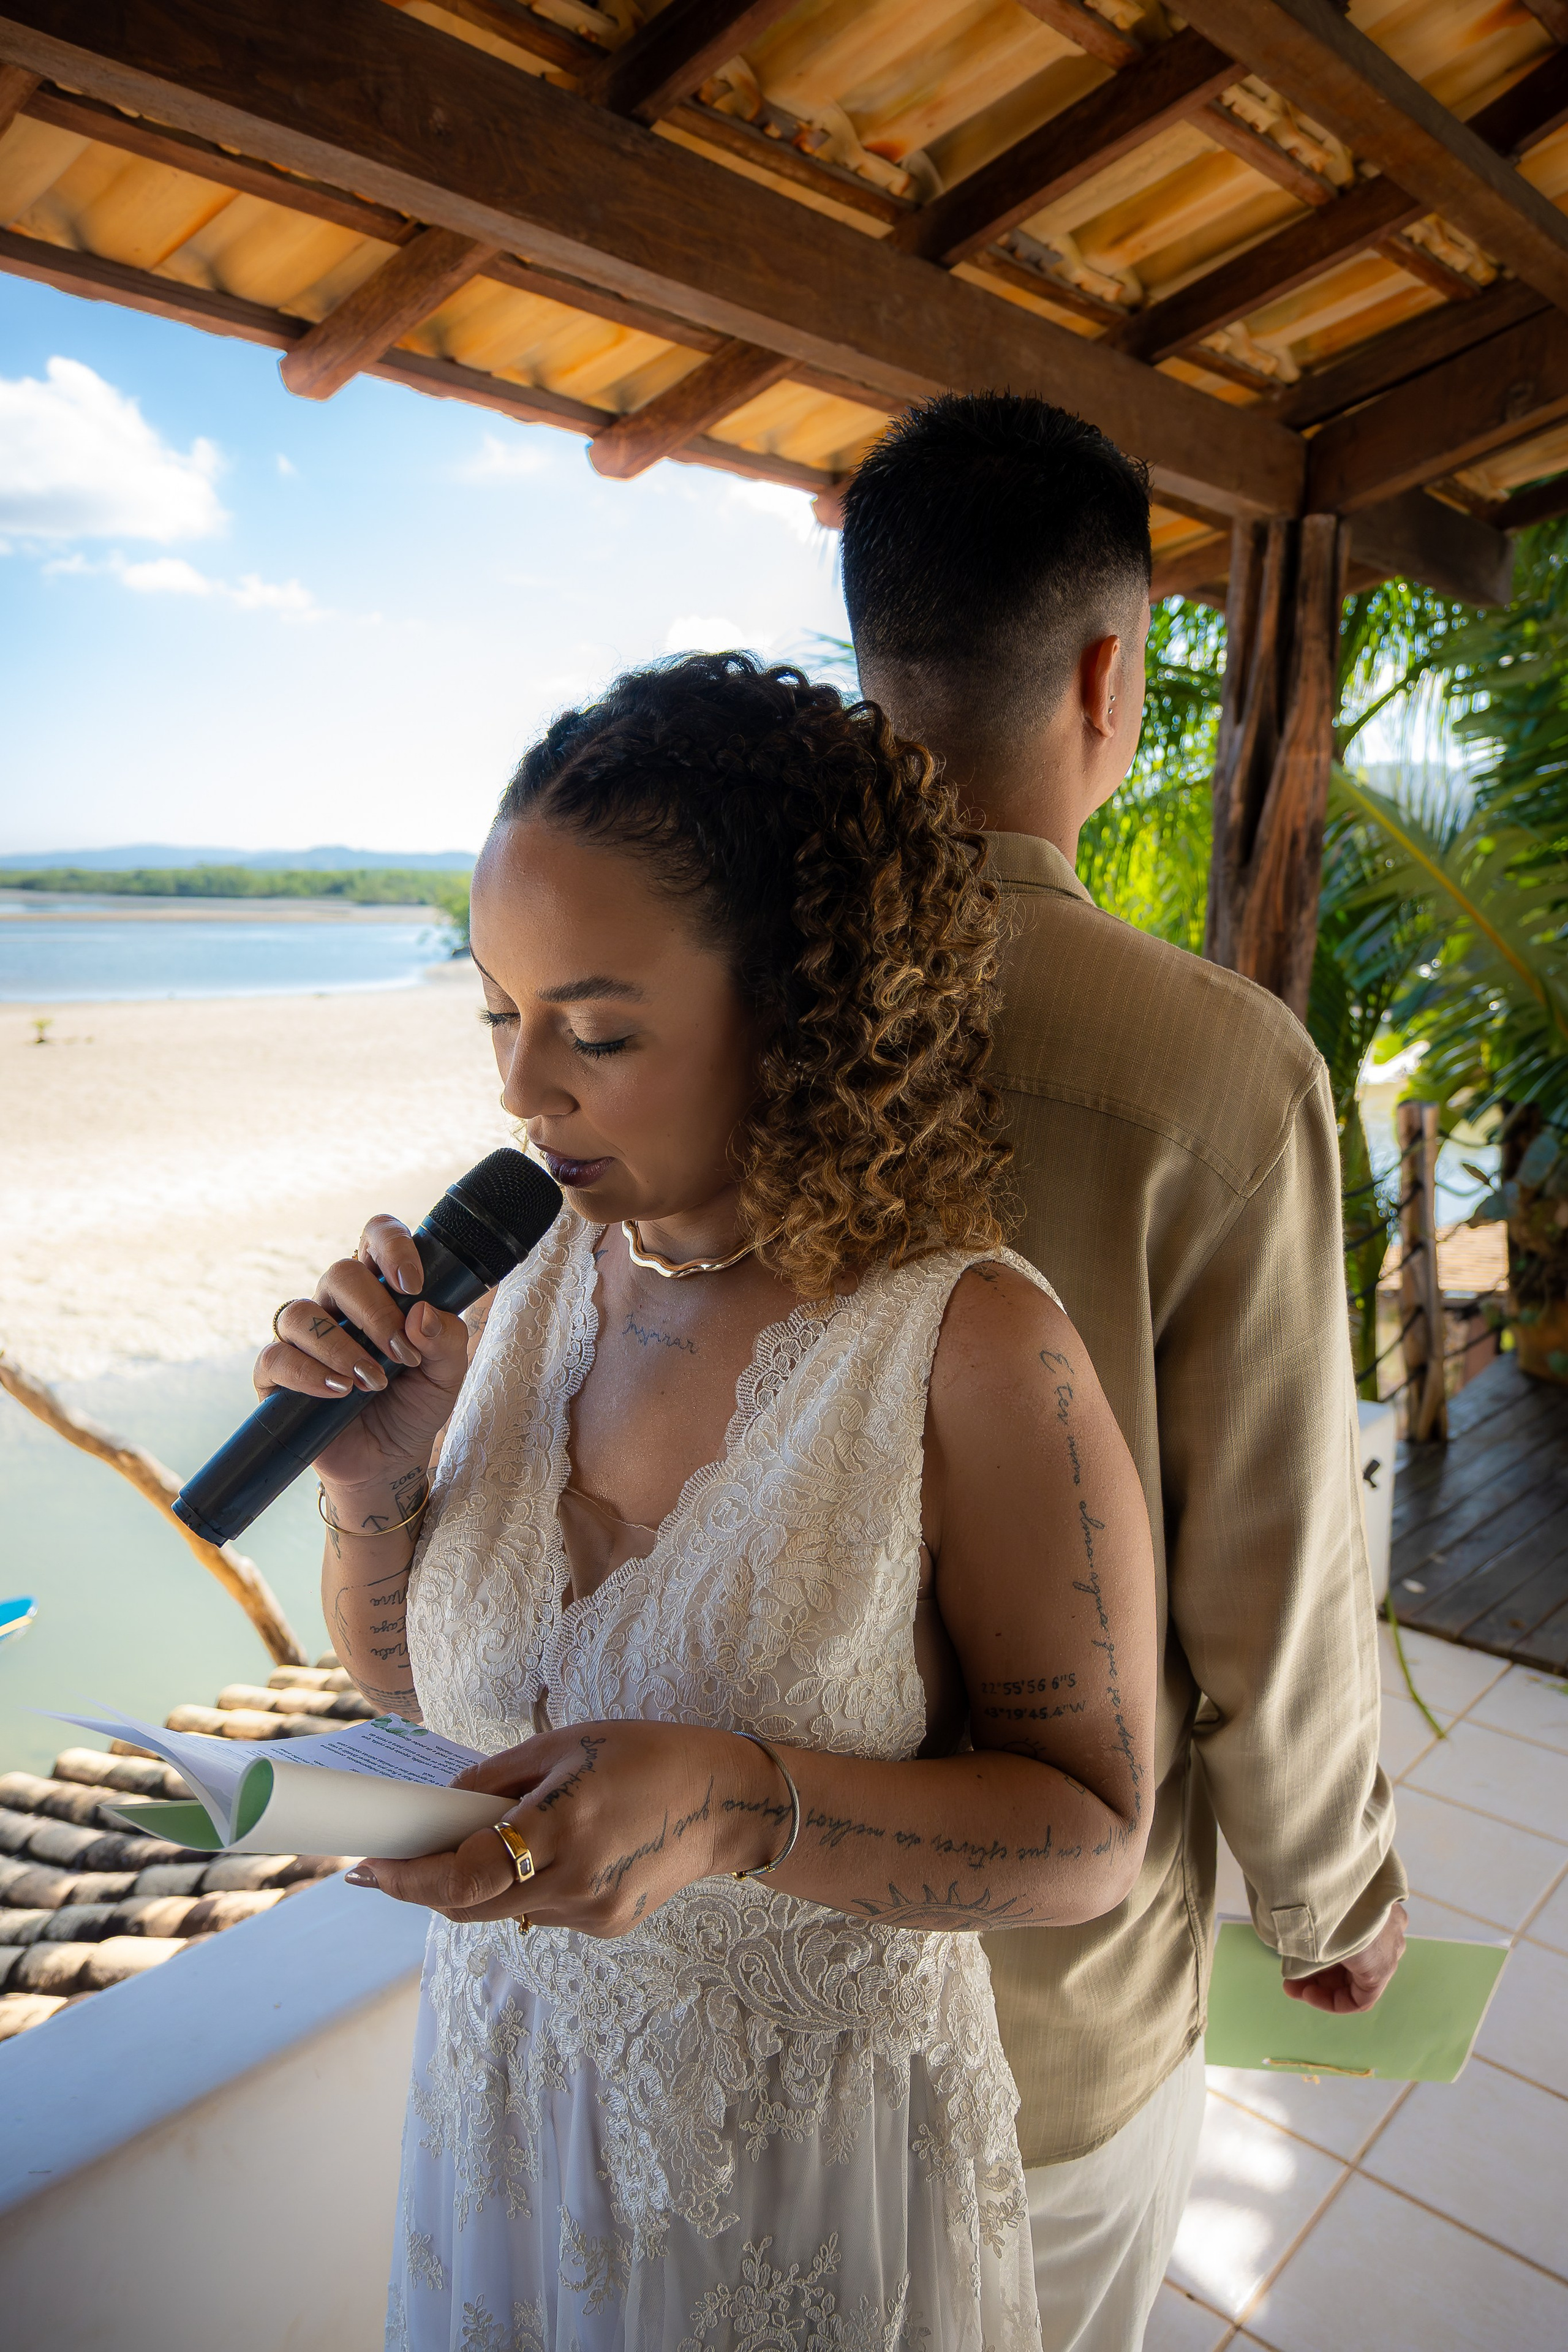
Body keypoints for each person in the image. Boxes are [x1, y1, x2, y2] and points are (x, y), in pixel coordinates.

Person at [257, 654, 1159, 2352]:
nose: (521, 1094)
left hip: (810, 2189)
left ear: (807, 1010)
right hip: (513, 2121)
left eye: (593, 1032)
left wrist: (748, 1811)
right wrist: (374, 1493)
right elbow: (413, 1694)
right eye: (498, 1017)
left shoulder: (971, 1349)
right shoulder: (522, 1286)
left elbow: (1096, 1836)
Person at [841, 396, 1408, 2352]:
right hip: (1051, 1997)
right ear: (1109, 679)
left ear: (871, 669)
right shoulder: (1221, 1069)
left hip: (746, 1939)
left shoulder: (706, 1028)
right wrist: (1331, 1895)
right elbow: (1271, 1557)